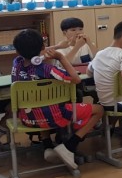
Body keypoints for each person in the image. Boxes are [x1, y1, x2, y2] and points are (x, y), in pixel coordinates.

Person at [12, 29, 104, 170]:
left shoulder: (16, 64)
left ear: (17, 51)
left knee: (40, 104)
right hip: (55, 117)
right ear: (43, 47)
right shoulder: (48, 70)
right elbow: (76, 79)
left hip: (27, 119)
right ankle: (69, 146)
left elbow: (30, 53)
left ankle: (47, 145)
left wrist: (57, 46)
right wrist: (60, 57)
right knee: (99, 110)